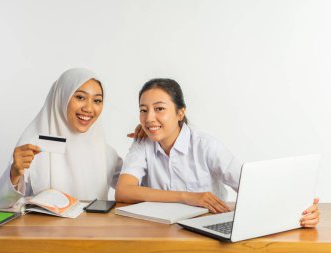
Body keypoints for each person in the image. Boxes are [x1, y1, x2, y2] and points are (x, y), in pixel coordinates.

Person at [116, 78, 319, 228]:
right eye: (143, 110)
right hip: (158, 231)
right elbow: (123, 191)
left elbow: (251, 187)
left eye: (159, 109)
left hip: (205, 230)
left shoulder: (205, 146)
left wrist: (301, 209)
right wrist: (187, 196)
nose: (149, 117)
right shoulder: (143, 143)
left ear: (180, 113)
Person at [0, 68, 122, 208]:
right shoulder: (34, 146)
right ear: (61, 97)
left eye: (97, 100)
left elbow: (135, 189)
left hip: (92, 228)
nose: (89, 108)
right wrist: (14, 173)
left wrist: (147, 139)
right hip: (45, 229)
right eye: (80, 97)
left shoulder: (105, 152)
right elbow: (0, 201)